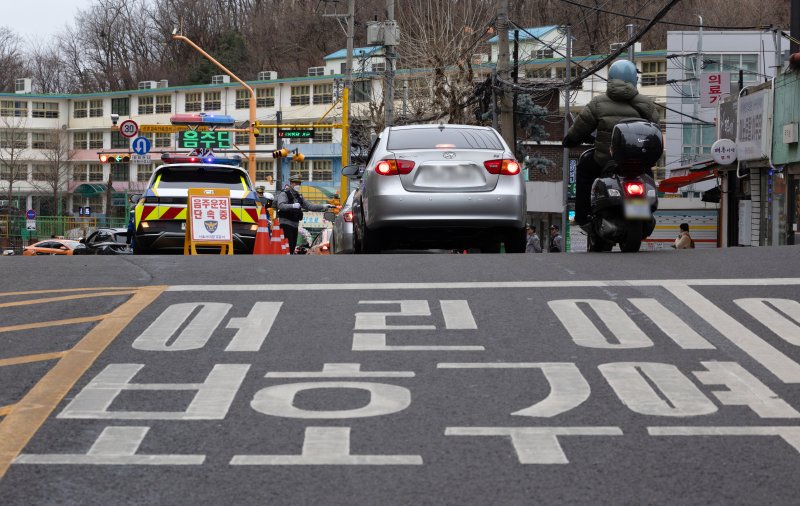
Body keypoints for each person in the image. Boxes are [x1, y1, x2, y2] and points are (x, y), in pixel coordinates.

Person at [562, 59, 660, 228]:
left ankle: (583, 216)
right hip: (638, 164)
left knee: (585, 168)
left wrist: (569, 141)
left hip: (605, 161)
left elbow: (578, 130)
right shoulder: (647, 104)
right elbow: (655, 131)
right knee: (648, 176)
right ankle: (646, 212)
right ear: (633, 80)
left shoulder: (598, 103)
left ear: (611, 79)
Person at [276, 173, 337, 254]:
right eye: (296, 183)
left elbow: (310, 206)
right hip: (286, 224)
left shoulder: (299, 197)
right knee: (288, 246)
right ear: (291, 183)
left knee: (292, 247)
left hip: (294, 225)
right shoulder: (285, 194)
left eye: (299, 183)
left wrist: (324, 206)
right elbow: (280, 205)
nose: (298, 185)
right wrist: (292, 206)